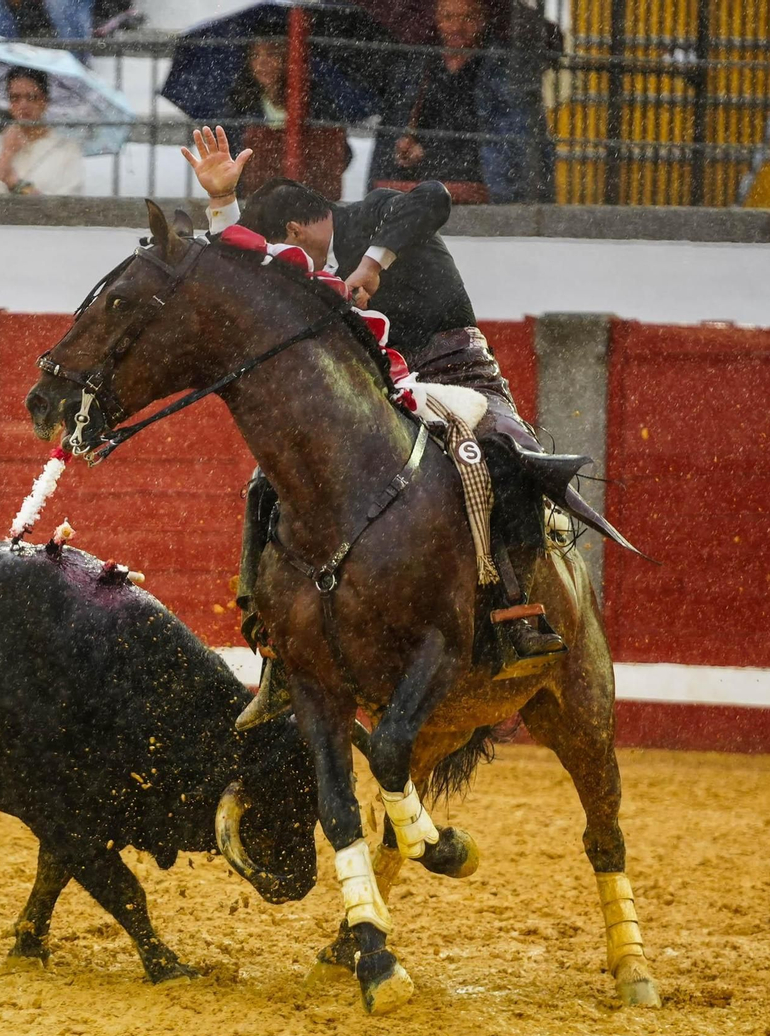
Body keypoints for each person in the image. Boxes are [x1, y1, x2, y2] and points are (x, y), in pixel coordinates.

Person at [181, 126, 635, 718]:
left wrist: (373, 262)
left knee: (504, 458)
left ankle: (518, 613)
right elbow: (246, 272)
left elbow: (435, 198)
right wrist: (222, 203)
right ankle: (276, 653)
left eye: (285, 250)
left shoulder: (372, 212)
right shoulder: (302, 263)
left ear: (295, 231)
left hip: (460, 374)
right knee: (272, 482)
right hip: (377, 393)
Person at [373, 0, 555, 204]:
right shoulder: (421, 66)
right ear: (436, 19)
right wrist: (404, 149)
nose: (456, 27)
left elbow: (514, 140)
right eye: (448, 17)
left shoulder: (502, 67)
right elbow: (395, 134)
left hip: (481, 183)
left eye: (467, 17)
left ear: (483, 20)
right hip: (423, 185)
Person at [218, 39, 357, 200]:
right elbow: (229, 152)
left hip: (306, 200)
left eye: (272, 54)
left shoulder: (316, 100)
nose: (262, 62)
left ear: (289, 58)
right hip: (255, 200)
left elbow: (341, 152)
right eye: (255, 55)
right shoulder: (239, 102)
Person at [0, 68, 84, 196]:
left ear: (45, 101)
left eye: (31, 97)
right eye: (15, 98)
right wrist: (7, 154)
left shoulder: (67, 149)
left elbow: (68, 207)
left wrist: (16, 184)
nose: (23, 105)